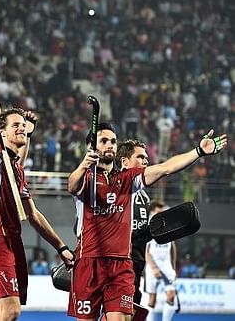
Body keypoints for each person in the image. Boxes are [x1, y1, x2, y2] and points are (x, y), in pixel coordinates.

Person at [67, 123, 226, 321]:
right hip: (90, 262)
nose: (109, 145)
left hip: (122, 265)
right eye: (104, 141)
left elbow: (165, 168)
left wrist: (198, 151)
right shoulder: (86, 177)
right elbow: (72, 186)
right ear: (92, 146)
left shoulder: (128, 178)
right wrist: (84, 164)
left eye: (113, 141)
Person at [0, 100, 74, 321]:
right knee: (11, 311)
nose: (21, 128)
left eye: (23, 125)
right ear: (2, 131)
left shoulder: (16, 168)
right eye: (15, 125)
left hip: (10, 240)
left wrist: (61, 246)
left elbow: (33, 214)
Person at [116, 139, 153, 305]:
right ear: (125, 161)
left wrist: (150, 233)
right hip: (117, 267)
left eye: (146, 157)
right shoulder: (113, 187)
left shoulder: (144, 196)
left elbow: (140, 231)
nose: (146, 161)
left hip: (137, 267)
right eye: (140, 157)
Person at [145, 201, 178, 321]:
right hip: (153, 266)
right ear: (153, 211)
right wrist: (153, 268)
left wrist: (173, 268)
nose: (161, 213)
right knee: (152, 298)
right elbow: (145, 250)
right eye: (159, 211)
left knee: (171, 296)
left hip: (166, 265)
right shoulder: (148, 226)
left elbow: (173, 247)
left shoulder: (168, 225)